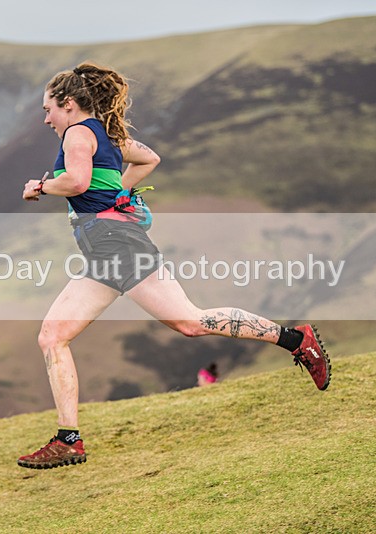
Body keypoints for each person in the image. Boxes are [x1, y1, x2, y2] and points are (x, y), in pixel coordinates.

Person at [17, 62, 330, 470]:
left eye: (49, 109)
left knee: (190, 322)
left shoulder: (77, 133)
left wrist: (39, 186)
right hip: (104, 250)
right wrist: (115, 194)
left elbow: (76, 182)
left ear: (70, 104)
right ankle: (68, 440)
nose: (46, 119)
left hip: (117, 246)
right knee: (53, 336)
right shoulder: (107, 136)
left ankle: (296, 339)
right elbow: (149, 158)